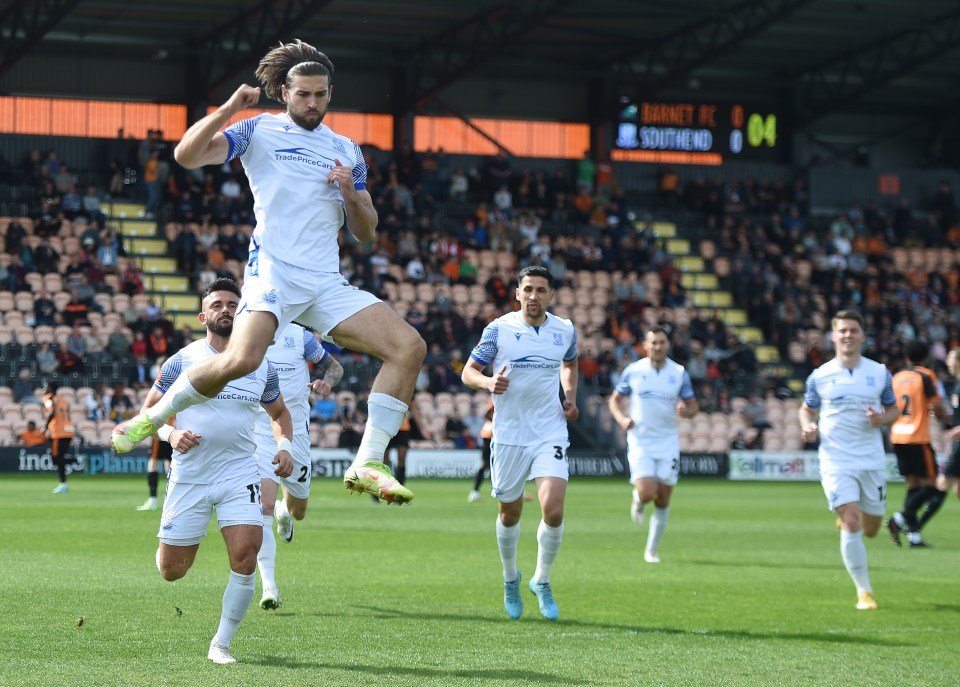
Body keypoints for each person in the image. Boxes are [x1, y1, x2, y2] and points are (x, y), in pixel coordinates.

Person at [112, 39, 425, 507]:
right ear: (284, 91)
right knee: (241, 361)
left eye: (321, 94)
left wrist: (352, 195)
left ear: (329, 93)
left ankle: (368, 462)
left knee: (409, 347)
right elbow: (186, 155)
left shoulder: (347, 150)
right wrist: (228, 109)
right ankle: (153, 418)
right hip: (274, 274)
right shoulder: (258, 129)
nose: (313, 102)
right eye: (304, 94)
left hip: (324, 282)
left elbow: (366, 232)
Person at [136, 278, 294, 664]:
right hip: (190, 475)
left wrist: (285, 446)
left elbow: (280, 414)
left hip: (239, 473)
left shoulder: (259, 365)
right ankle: (170, 548)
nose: (225, 309)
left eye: (232, 304)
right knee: (172, 572)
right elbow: (148, 413)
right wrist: (171, 434)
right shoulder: (182, 360)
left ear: (241, 314)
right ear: (203, 316)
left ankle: (220, 644)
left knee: (245, 554)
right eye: (217, 304)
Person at [461, 265, 579, 622]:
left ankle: (541, 580)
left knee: (553, 509)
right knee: (509, 513)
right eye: (527, 289)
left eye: (541, 290)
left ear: (551, 295)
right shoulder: (499, 330)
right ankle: (511, 576)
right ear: (517, 294)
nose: (533, 296)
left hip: (549, 431)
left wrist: (569, 397)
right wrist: (487, 384)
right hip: (509, 435)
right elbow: (468, 372)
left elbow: (570, 365)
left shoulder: (565, 330)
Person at [798, 310, 900, 610]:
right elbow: (806, 409)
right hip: (836, 459)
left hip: (871, 460)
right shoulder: (820, 375)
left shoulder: (879, 372)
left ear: (862, 335)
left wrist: (882, 418)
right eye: (842, 330)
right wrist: (807, 425)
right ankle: (864, 592)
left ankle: (848, 519)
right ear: (833, 336)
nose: (847, 335)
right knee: (852, 522)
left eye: (853, 330)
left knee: (870, 528)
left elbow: (894, 411)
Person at [254, 322, 343, 610]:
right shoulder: (246, 331)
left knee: (297, 511)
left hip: (297, 435)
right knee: (262, 507)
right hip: (258, 431)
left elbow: (335, 368)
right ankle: (269, 586)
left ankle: (284, 511)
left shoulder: (299, 337)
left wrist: (326, 382)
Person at [607, 326, 698, 564]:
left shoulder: (678, 373)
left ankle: (652, 550)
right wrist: (622, 419)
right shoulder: (634, 371)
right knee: (648, 493)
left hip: (667, 440)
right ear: (645, 346)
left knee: (663, 499)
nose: (658, 347)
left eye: (662, 342)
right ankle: (638, 500)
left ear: (668, 345)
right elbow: (615, 401)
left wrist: (686, 412)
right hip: (641, 440)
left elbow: (693, 406)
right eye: (653, 343)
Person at [886, 341, 949, 548]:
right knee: (931, 487)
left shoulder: (897, 377)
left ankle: (914, 538)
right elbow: (936, 403)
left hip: (898, 437)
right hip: (917, 437)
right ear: (925, 357)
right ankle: (899, 518)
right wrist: (943, 415)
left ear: (907, 357)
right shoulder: (925, 375)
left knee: (913, 486)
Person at [42, 382, 76, 494]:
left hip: (58, 433)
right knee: (59, 459)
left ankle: (76, 460)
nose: (43, 389)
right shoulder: (63, 400)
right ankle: (63, 485)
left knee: (55, 459)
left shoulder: (49, 398)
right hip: (68, 431)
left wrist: (45, 426)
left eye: (45, 387)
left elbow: (51, 411)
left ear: (50, 389)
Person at [136, 418, 174, 512]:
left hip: (162, 429)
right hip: (172, 430)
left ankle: (153, 500)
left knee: (153, 464)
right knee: (169, 465)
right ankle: (173, 500)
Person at [939, 347, 960, 499]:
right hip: (957, 442)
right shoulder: (956, 386)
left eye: (950, 358)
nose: (947, 362)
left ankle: (911, 521)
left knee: (942, 483)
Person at [468, 397, 494, 503]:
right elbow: (487, 414)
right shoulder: (496, 394)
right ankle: (474, 492)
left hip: (493, 434)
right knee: (486, 463)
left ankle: (475, 492)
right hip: (491, 434)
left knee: (492, 464)